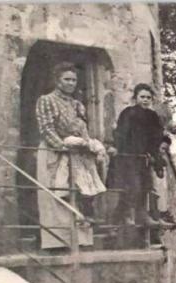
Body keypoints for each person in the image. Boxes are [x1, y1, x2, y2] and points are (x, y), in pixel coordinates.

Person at [35, 62, 107, 249]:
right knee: (58, 193)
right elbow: (46, 129)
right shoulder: (47, 100)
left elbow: (83, 129)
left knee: (82, 191)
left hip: (78, 153)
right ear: (58, 81)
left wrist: (88, 144)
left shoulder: (77, 104)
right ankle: (58, 242)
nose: (70, 83)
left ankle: (81, 240)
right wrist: (63, 146)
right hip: (55, 152)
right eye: (66, 79)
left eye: (74, 80)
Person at [110, 83, 165, 226]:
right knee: (132, 186)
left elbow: (157, 136)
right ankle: (125, 214)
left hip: (143, 158)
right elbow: (121, 133)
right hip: (128, 156)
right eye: (142, 97)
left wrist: (157, 153)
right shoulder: (128, 113)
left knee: (146, 187)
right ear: (135, 98)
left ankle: (142, 215)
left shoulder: (153, 116)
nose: (145, 100)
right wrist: (118, 148)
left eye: (148, 97)